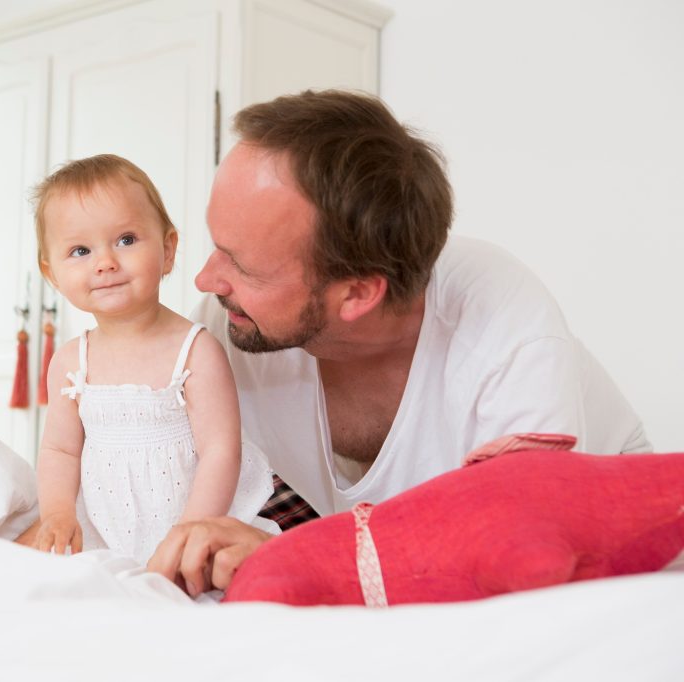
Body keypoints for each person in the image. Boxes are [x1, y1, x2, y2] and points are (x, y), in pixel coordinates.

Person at [146, 89, 651, 596]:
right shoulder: (232, 322)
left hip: (608, 558)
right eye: (216, 245)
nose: (206, 280)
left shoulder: (505, 328)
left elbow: (514, 547)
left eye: (243, 264)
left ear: (359, 293)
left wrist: (307, 556)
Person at [28, 154, 277, 566]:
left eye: (126, 240)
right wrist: (57, 513)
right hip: (106, 530)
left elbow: (220, 451)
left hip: (196, 519)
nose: (105, 262)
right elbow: (60, 450)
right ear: (52, 273)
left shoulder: (195, 351)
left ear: (167, 249)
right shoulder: (73, 361)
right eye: (80, 250)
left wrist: (191, 533)